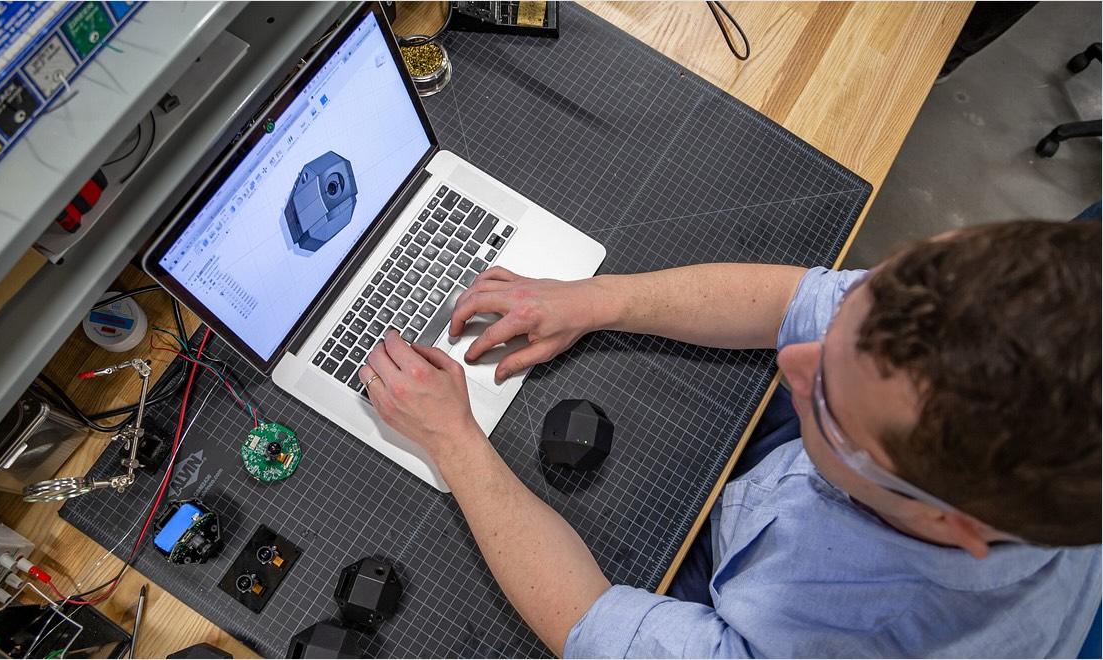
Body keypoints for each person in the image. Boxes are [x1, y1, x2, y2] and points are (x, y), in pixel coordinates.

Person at [356, 220, 1101, 657]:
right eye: (844, 322)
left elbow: (592, 626)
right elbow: (795, 306)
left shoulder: (839, 634)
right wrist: (599, 299)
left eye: (834, 407)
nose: (791, 363)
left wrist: (453, 440)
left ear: (950, 519)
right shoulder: (975, 332)